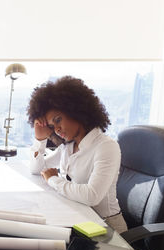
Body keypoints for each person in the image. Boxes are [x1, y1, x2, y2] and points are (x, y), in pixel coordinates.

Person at [27, 76, 128, 233]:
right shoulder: (69, 146)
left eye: (58, 120)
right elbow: (37, 169)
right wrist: (39, 140)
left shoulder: (106, 147)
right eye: (53, 126)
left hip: (108, 228)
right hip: (80, 220)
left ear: (76, 111)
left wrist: (54, 180)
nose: (57, 130)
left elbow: (91, 196)